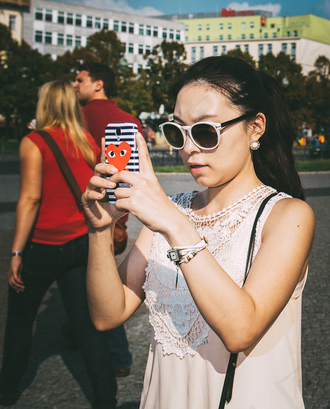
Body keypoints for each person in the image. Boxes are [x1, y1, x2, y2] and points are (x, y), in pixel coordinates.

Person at [82, 56, 315, 407]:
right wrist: (100, 231)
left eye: (205, 132)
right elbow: (107, 314)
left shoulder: (287, 216)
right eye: (178, 132)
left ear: (255, 128)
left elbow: (241, 330)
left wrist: (176, 225)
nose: (189, 148)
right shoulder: (170, 212)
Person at [0, 81, 117, 408]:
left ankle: (6, 388)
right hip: (82, 243)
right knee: (88, 326)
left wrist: (15, 253)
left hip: (44, 246)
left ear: (45, 104)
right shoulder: (86, 142)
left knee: (21, 319)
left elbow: (30, 199)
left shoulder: (34, 141)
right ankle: (106, 399)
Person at [73, 62, 136, 377]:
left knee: (97, 284)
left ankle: (117, 355)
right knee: (107, 278)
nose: (75, 84)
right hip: (119, 217)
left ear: (98, 84)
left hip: (86, 216)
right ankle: (112, 351)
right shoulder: (128, 120)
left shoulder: (80, 119)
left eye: (80, 79)